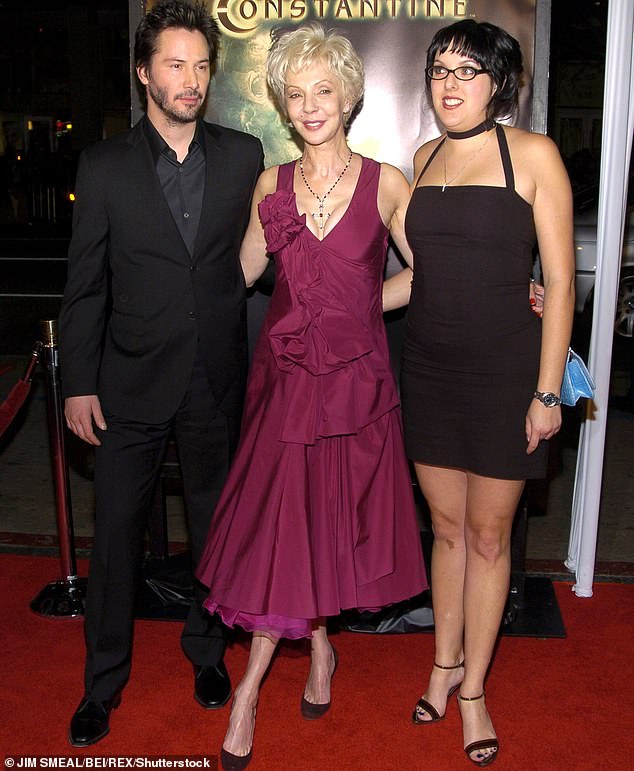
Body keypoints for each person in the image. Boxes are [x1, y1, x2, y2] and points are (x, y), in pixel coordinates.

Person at [195, 23, 427, 770]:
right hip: (287, 384)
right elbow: (245, 272)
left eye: (322, 90)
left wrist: (364, 308)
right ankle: (250, 691)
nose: (309, 106)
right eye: (295, 95)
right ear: (284, 108)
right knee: (280, 530)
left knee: (322, 522)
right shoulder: (271, 185)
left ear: (349, 95)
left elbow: (427, 273)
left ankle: (319, 650)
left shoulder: (387, 181)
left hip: (356, 383)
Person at [59, 0, 263, 747]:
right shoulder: (104, 165)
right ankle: (102, 683)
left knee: (216, 528)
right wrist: (78, 382)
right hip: (128, 385)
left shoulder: (243, 156)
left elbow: (283, 241)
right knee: (114, 537)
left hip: (213, 377)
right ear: (145, 73)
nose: (191, 79)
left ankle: (206, 653)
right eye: (175, 64)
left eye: (202, 65)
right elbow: (84, 286)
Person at [391, 19, 575, 766]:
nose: (449, 85)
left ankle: (474, 689)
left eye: (467, 72)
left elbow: (560, 280)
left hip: (507, 376)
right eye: (440, 71)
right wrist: (337, 305)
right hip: (428, 369)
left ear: (499, 83)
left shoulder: (533, 155)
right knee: (447, 529)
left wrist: (547, 389)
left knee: (491, 536)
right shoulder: (421, 156)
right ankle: (443, 661)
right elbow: (417, 276)